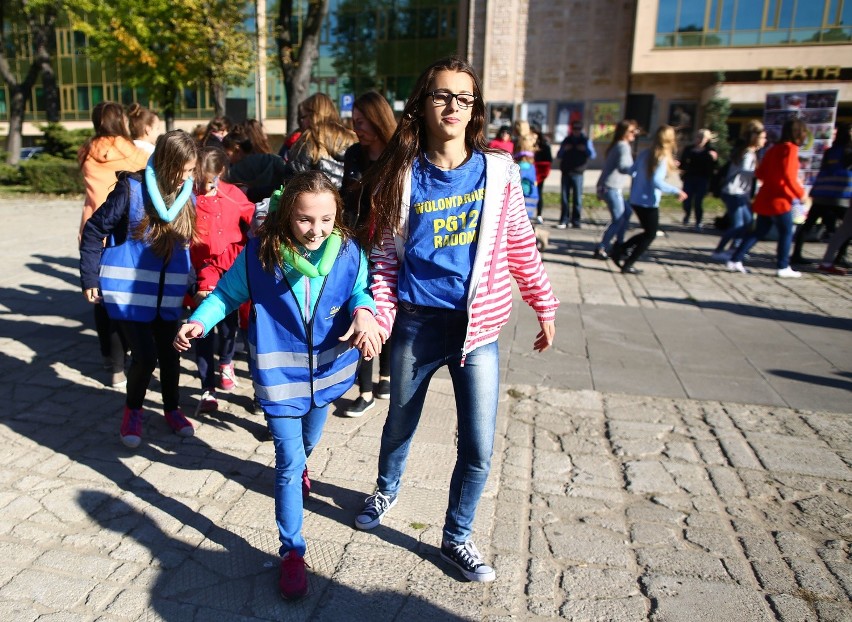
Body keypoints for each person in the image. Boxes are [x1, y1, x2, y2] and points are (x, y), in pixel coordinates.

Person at [354, 56, 559, 583]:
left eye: (463, 98)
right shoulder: (400, 174)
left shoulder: (499, 171)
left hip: (477, 330)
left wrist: (544, 303)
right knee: (400, 420)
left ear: (475, 110)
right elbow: (384, 257)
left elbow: (519, 244)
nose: (452, 106)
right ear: (422, 105)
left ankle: (457, 537)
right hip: (418, 326)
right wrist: (378, 314)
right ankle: (387, 490)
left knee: (479, 444)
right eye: (441, 95)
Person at [174, 171, 382, 600]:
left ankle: (302, 466)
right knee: (287, 464)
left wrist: (365, 312)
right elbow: (225, 296)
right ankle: (292, 551)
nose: (316, 230)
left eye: (326, 219)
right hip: (279, 379)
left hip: (326, 377)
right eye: (306, 219)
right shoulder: (259, 256)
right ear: (288, 214)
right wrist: (199, 320)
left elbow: (362, 291)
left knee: (309, 443)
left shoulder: (348, 251)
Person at [80, 130, 199, 448]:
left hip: (168, 298)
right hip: (128, 296)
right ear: (164, 163)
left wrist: (196, 284)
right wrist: (90, 277)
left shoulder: (188, 197)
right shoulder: (130, 190)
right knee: (145, 358)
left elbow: (186, 250)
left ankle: (172, 409)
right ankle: (132, 411)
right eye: (184, 170)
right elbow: (94, 230)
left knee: (172, 357)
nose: (189, 177)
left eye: (192, 170)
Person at [78, 101, 151, 387]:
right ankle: (132, 353)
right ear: (121, 120)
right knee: (124, 295)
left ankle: (111, 363)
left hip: (91, 225)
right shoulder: (131, 151)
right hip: (122, 227)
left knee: (98, 297)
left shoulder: (86, 150)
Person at [341, 91, 397, 416]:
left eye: (361, 122)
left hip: (389, 243)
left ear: (377, 119)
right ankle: (364, 390)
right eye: (353, 122)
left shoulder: (397, 155)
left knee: (388, 307)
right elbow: (348, 201)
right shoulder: (353, 154)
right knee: (362, 308)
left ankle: (385, 377)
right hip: (359, 241)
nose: (357, 129)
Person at [188, 147, 256, 413]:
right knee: (202, 328)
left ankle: (226, 361)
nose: (205, 186)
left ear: (219, 173)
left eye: (209, 179)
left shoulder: (231, 194)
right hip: (202, 270)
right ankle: (207, 389)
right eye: (199, 179)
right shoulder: (188, 197)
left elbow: (253, 218)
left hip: (231, 269)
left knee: (229, 328)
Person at [726, 119, 808, 277]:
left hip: (766, 196)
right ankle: (783, 266)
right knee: (786, 232)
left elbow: (760, 173)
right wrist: (800, 193)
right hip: (780, 199)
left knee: (759, 231)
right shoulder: (790, 149)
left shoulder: (773, 149)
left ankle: (735, 259)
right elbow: (789, 176)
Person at [611, 125, 687, 274]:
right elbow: (657, 182)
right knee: (650, 234)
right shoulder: (661, 157)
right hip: (648, 201)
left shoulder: (646, 153)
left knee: (648, 232)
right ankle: (626, 260)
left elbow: (632, 171)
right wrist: (676, 191)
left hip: (636, 198)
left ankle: (620, 250)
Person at [791, 122, 852, 266]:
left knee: (808, 225)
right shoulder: (849, 150)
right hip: (840, 195)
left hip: (822, 193)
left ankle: (796, 254)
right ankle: (840, 256)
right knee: (847, 228)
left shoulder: (830, 151)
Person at [711, 120, 766, 261]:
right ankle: (719, 250)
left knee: (747, 223)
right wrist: (763, 174)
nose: (765, 140)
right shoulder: (747, 153)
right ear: (755, 138)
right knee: (738, 224)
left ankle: (734, 248)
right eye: (763, 137)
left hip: (739, 193)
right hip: (734, 192)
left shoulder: (746, 151)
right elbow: (746, 171)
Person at [283, 93, 356, 188]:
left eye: (303, 117)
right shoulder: (352, 138)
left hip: (317, 199)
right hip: (348, 200)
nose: (300, 122)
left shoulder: (309, 139)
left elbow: (294, 182)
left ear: (313, 116)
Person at [594, 119, 638, 259]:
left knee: (626, 213)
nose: (634, 134)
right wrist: (638, 168)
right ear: (623, 132)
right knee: (618, 219)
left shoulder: (618, 145)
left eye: (635, 131)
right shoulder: (623, 146)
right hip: (611, 187)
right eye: (631, 131)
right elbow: (623, 167)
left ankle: (619, 244)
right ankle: (603, 247)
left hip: (608, 186)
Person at [557, 120, 596, 228]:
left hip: (578, 172)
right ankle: (564, 219)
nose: (576, 131)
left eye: (578, 129)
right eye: (574, 129)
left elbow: (592, 155)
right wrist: (564, 149)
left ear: (581, 130)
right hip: (566, 171)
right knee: (565, 198)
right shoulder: (567, 140)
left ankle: (576, 220)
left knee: (577, 198)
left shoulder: (585, 140)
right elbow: (559, 154)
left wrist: (585, 149)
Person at [679, 128, 718, 229]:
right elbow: (682, 163)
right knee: (687, 200)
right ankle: (687, 214)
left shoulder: (710, 151)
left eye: (703, 138)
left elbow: (714, 167)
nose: (700, 140)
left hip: (702, 179)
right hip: (690, 177)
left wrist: (714, 159)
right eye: (698, 137)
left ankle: (698, 221)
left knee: (698, 201)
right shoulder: (689, 149)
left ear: (707, 139)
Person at [531, 124, 553, 224]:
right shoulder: (526, 144)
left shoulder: (544, 145)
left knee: (538, 193)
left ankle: (539, 214)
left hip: (539, 173)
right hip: (528, 172)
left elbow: (548, 159)